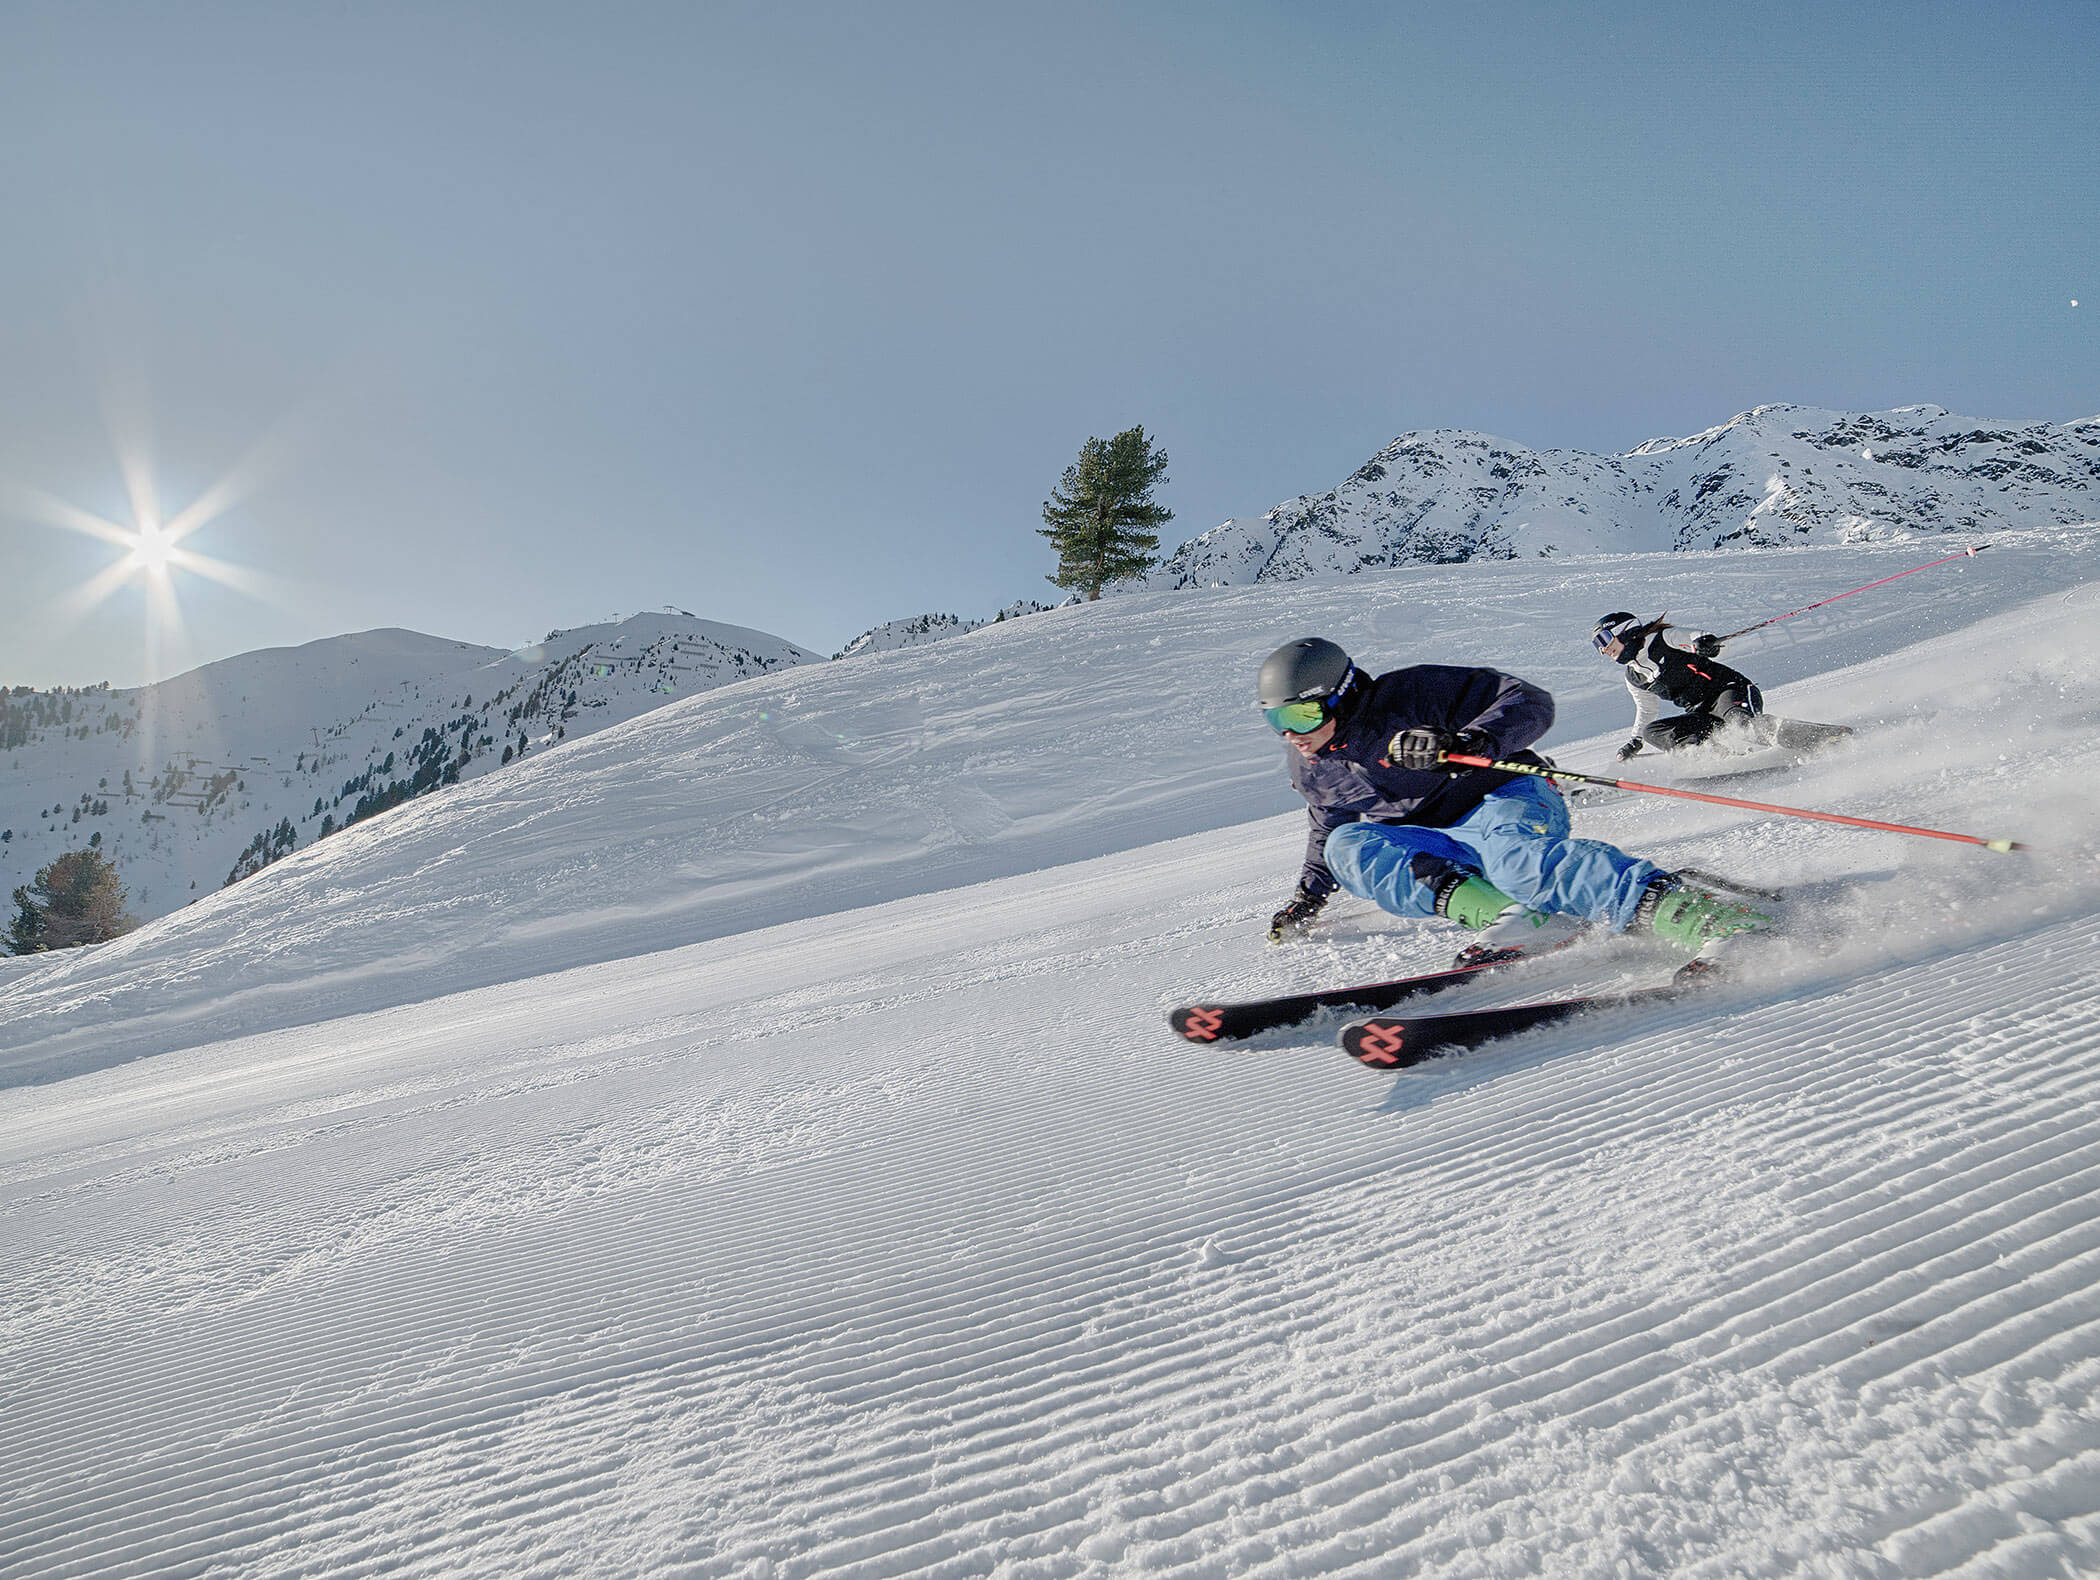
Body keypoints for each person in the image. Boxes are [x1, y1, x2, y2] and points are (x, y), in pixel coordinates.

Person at [1257, 636, 1770, 963]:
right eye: (1277, 722)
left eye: (1301, 717)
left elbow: (1529, 702)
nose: (1291, 736)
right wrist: (1309, 895)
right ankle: (1523, 919)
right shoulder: (1311, 764)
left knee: (1521, 865)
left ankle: (1711, 920)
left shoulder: (1413, 694)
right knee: (1348, 846)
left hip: (1503, 797)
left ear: (1342, 694)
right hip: (1436, 840)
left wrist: (1468, 743)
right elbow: (1328, 827)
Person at [1592, 612, 1848, 759]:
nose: (1603, 649)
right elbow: (1645, 712)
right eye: (1598, 646)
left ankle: (1824, 737)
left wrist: (1704, 643)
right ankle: (1715, 757)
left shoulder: (1663, 640)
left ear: (1624, 630)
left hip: (1729, 691)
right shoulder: (1634, 677)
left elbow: (1692, 637)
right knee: (1653, 731)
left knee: (1743, 726)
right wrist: (1636, 741)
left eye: (1604, 639)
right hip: (1702, 713)